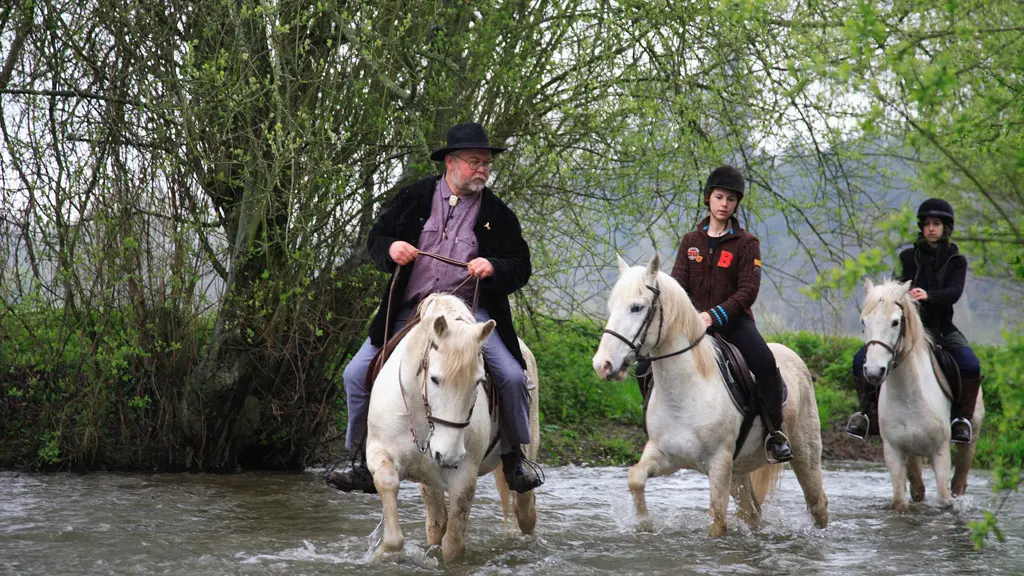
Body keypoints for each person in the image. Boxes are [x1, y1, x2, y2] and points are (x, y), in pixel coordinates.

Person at [326, 122, 543, 494]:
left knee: (509, 374)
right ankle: (359, 460)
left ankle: (513, 457)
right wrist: (392, 249)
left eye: (486, 163)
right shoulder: (412, 197)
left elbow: (520, 265)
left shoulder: (499, 213)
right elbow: (377, 239)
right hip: (411, 310)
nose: (482, 170)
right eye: (475, 161)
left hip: (469, 313)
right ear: (451, 162)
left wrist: (493, 267)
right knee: (354, 373)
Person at [637, 165, 793, 463]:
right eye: (719, 197)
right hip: (690, 325)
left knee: (765, 362)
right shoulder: (690, 242)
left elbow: (747, 292)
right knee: (644, 363)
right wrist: (686, 317)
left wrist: (713, 316)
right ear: (708, 198)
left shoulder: (748, 244)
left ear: (736, 204)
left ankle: (775, 433)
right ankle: (655, 422)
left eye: (731, 199)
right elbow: (678, 286)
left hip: (733, 324)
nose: (724, 204)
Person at [846, 198, 982, 443]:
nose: (931, 228)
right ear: (922, 227)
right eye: (927, 224)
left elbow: (955, 292)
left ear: (945, 228)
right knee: (859, 361)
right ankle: (867, 414)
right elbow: (896, 289)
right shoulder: (907, 257)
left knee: (971, 365)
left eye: (936, 224)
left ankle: (960, 419)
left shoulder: (956, 260)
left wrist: (929, 296)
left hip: (941, 329)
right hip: (905, 331)